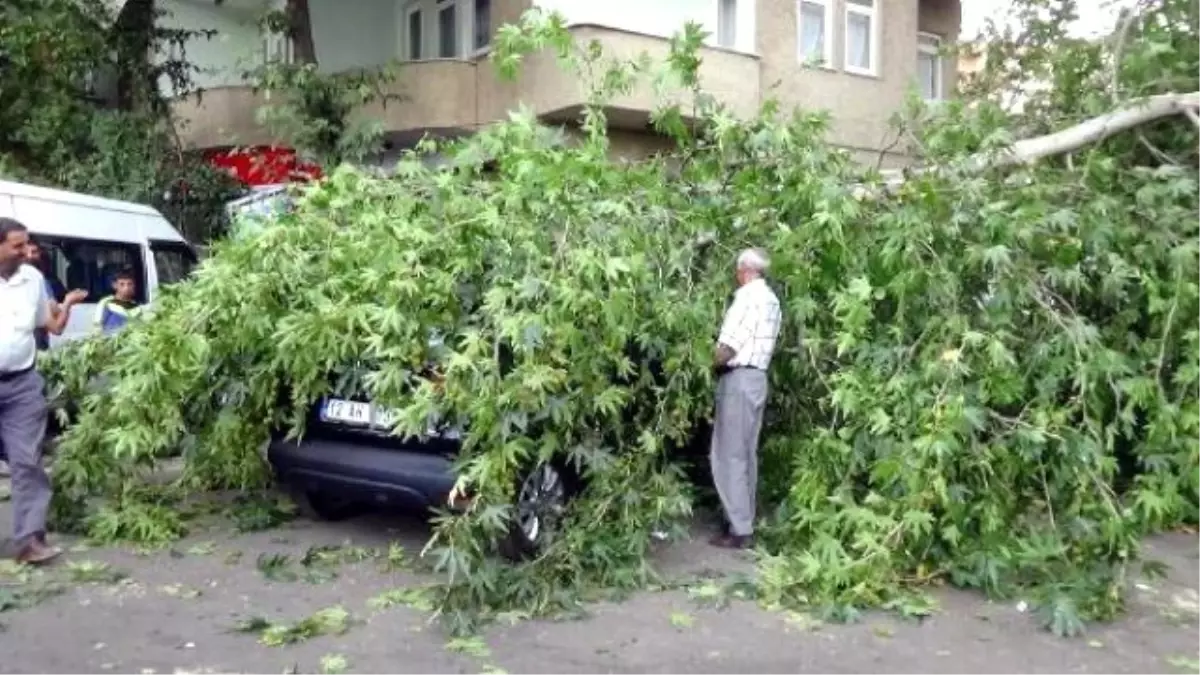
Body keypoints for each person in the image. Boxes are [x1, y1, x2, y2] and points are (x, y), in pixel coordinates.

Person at [0, 217, 87, 564]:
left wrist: (65, 306)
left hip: (22, 383)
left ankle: (29, 541)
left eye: (26, 245)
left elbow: (45, 324)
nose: (26, 253)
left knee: (27, 463)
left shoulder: (32, 279)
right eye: (18, 246)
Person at [708, 247, 782, 550]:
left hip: (738, 380)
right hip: (758, 380)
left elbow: (728, 348)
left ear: (745, 270)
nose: (735, 275)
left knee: (728, 455)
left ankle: (739, 529)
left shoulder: (747, 298)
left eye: (737, 270)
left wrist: (705, 362)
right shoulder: (772, 300)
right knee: (746, 453)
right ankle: (744, 519)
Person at [24, 240, 66, 352]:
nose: (30, 256)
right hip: (32, 349)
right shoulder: (38, 281)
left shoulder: (39, 280)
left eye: (34, 252)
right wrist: (68, 302)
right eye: (26, 252)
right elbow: (56, 327)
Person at [93, 268, 140, 334]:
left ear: (134, 286)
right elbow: (97, 326)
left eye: (129, 284)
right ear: (114, 285)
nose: (126, 288)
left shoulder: (136, 307)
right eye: (122, 284)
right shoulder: (106, 303)